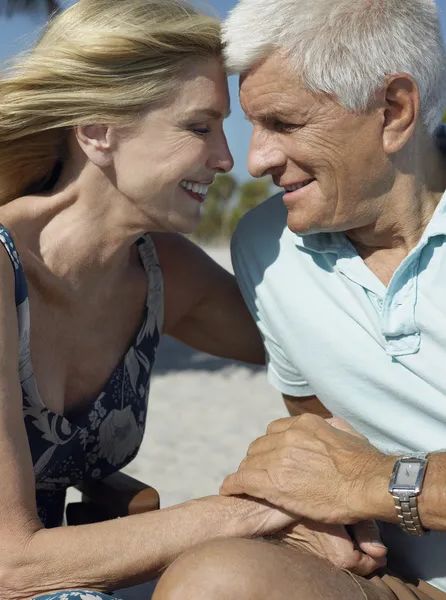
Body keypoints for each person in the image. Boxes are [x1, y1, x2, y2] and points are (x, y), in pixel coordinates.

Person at [0, 1, 306, 598]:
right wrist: (251, 511)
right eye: (199, 127)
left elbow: (309, 351)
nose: (226, 158)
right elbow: (8, 564)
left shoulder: (160, 271)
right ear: (97, 130)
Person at [151, 0, 446, 599]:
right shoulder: (266, 246)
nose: (254, 158)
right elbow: (318, 426)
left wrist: (377, 483)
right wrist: (324, 514)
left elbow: (355, 471)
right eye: (251, 124)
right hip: (407, 583)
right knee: (214, 585)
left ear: (393, 111)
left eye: (283, 124)